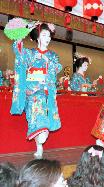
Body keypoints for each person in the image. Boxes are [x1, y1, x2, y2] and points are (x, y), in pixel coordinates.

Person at [10, 22, 62, 159]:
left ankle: (40, 144)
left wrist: (47, 61)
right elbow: (18, 50)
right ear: (38, 37)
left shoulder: (53, 55)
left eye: (49, 35)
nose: (47, 38)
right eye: (44, 35)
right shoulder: (30, 53)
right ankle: (39, 147)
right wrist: (24, 31)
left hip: (47, 93)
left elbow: (58, 67)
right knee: (37, 121)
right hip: (33, 93)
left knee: (45, 126)